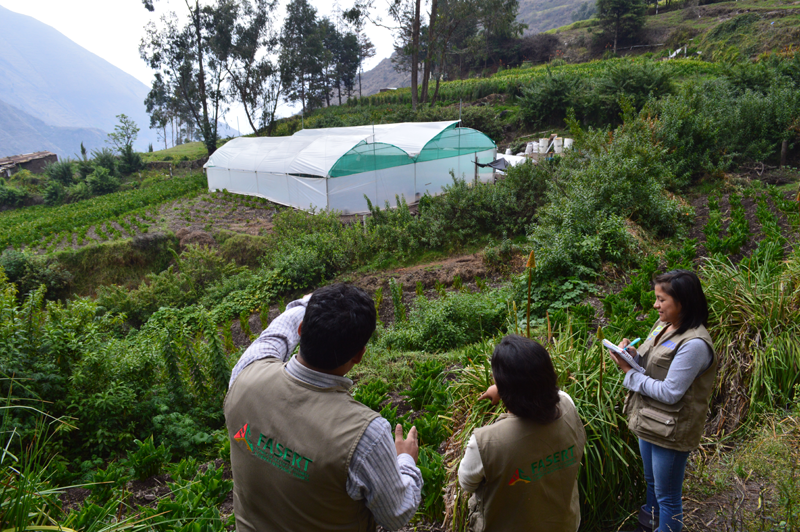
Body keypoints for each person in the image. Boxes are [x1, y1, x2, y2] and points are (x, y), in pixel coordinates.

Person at [224, 283, 422, 531]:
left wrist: (305, 303)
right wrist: (405, 460)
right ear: (359, 355)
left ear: (301, 329)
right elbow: (396, 514)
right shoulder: (365, 434)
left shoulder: (246, 374)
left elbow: (276, 334)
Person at [608, 269, 717, 532]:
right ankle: (650, 525)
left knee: (668, 496)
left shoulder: (694, 344)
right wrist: (631, 354)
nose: (655, 305)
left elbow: (671, 392)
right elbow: (651, 361)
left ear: (683, 302)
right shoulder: (662, 325)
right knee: (653, 482)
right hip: (649, 419)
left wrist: (628, 372)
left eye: (661, 299)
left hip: (672, 428)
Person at [457, 335, 587, 532]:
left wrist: (504, 390)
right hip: (565, 524)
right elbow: (541, 392)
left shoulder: (484, 442)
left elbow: (466, 482)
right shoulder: (567, 404)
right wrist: (505, 388)